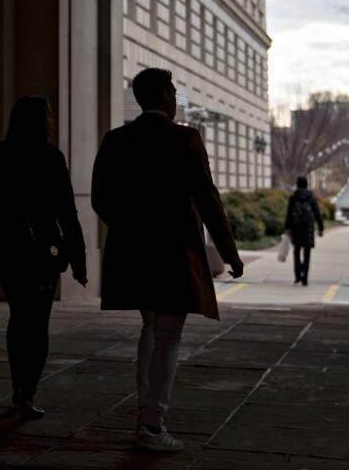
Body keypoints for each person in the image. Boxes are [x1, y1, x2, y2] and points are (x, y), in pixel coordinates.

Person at [91, 68, 244, 453]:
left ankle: (145, 409)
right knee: (168, 336)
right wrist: (229, 253)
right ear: (161, 94)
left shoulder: (116, 139)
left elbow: (99, 198)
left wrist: (127, 229)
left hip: (132, 251)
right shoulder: (185, 138)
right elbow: (208, 198)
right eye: (173, 91)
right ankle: (153, 425)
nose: (176, 99)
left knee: (149, 327)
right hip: (174, 253)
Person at [0, 96, 88, 421]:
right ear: (39, 121)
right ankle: (28, 393)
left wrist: (9, 226)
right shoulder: (50, 156)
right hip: (44, 252)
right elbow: (67, 213)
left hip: (10, 251)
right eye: (49, 115)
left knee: (19, 317)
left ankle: (18, 386)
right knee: (38, 323)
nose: (52, 121)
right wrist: (79, 261)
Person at [284, 177, 324, 285]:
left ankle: (297, 276)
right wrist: (321, 228)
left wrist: (286, 228)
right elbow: (317, 213)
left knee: (296, 252)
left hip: (296, 229)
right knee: (307, 254)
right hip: (308, 229)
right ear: (307, 184)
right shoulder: (311, 198)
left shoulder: (293, 197)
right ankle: (305, 278)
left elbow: (289, 214)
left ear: (297, 184)